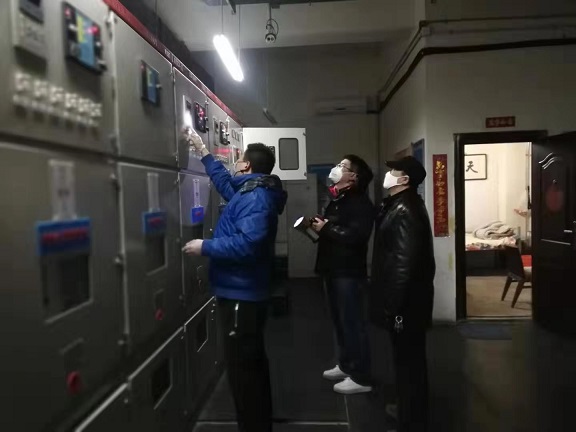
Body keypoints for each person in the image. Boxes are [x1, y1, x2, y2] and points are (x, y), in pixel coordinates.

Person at [183, 130, 287, 432]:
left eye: (239, 159)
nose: (235, 162)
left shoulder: (256, 198)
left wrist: (205, 246)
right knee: (249, 367)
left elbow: (249, 245)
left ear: (246, 166)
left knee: (244, 374)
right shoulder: (250, 190)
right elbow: (225, 184)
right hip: (240, 291)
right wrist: (203, 152)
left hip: (243, 296)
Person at [370, 156, 435, 432]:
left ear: (405, 179)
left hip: (406, 305)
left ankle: (411, 418)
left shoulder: (406, 209)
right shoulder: (399, 204)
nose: (389, 174)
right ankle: (408, 409)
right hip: (406, 303)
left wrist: (393, 307)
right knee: (406, 360)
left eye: (394, 171)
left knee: (408, 362)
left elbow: (403, 264)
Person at [312, 155, 375, 395]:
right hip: (332, 268)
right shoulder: (338, 199)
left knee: (353, 323)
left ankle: (361, 376)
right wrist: (319, 226)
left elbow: (356, 236)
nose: (336, 168)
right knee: (339, 322)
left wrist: (326, 227)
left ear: (353, 177)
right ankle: (347, 365)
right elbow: (334, 229)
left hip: (348, 272)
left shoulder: (360, 203)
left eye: (342, 166)